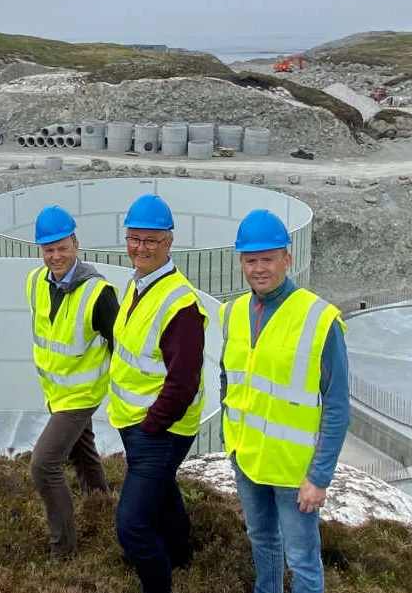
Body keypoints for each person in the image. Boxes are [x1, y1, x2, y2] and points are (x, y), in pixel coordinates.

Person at [219, 209, 350, 593]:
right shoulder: (234, 313)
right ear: (242, 262)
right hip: (248, 458)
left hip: (295, 473)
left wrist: (319, 476)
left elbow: (338, 406)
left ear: (286, 259)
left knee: (303, 559)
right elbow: (229, 378)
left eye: (268, 258)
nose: (259, 268)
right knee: (262, 542)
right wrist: (232, 445)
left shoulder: (319, 319)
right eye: (251, 260)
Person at [109, 194, 208, 593]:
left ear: (169, 242)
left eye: (151, 240)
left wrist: (152, 426)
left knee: (131, 526)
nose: (141, 248)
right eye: (134, 238)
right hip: (136, 422)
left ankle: (160, 585)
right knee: (164, 494)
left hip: (159, 430)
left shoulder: (180, 303)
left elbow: (184, 380)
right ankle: (182, 557)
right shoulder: (138, 285)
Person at [25, 205, 120, 558]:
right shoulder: (35, 282)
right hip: (57, 391)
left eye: (62, 247)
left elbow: (121, 348)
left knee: (44, 466)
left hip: (82, 394)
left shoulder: (99, 293)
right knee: (83, 455)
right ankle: (103, 511)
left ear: (76, 244)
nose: (56, 256)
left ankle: (63, 551)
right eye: (48, 249)